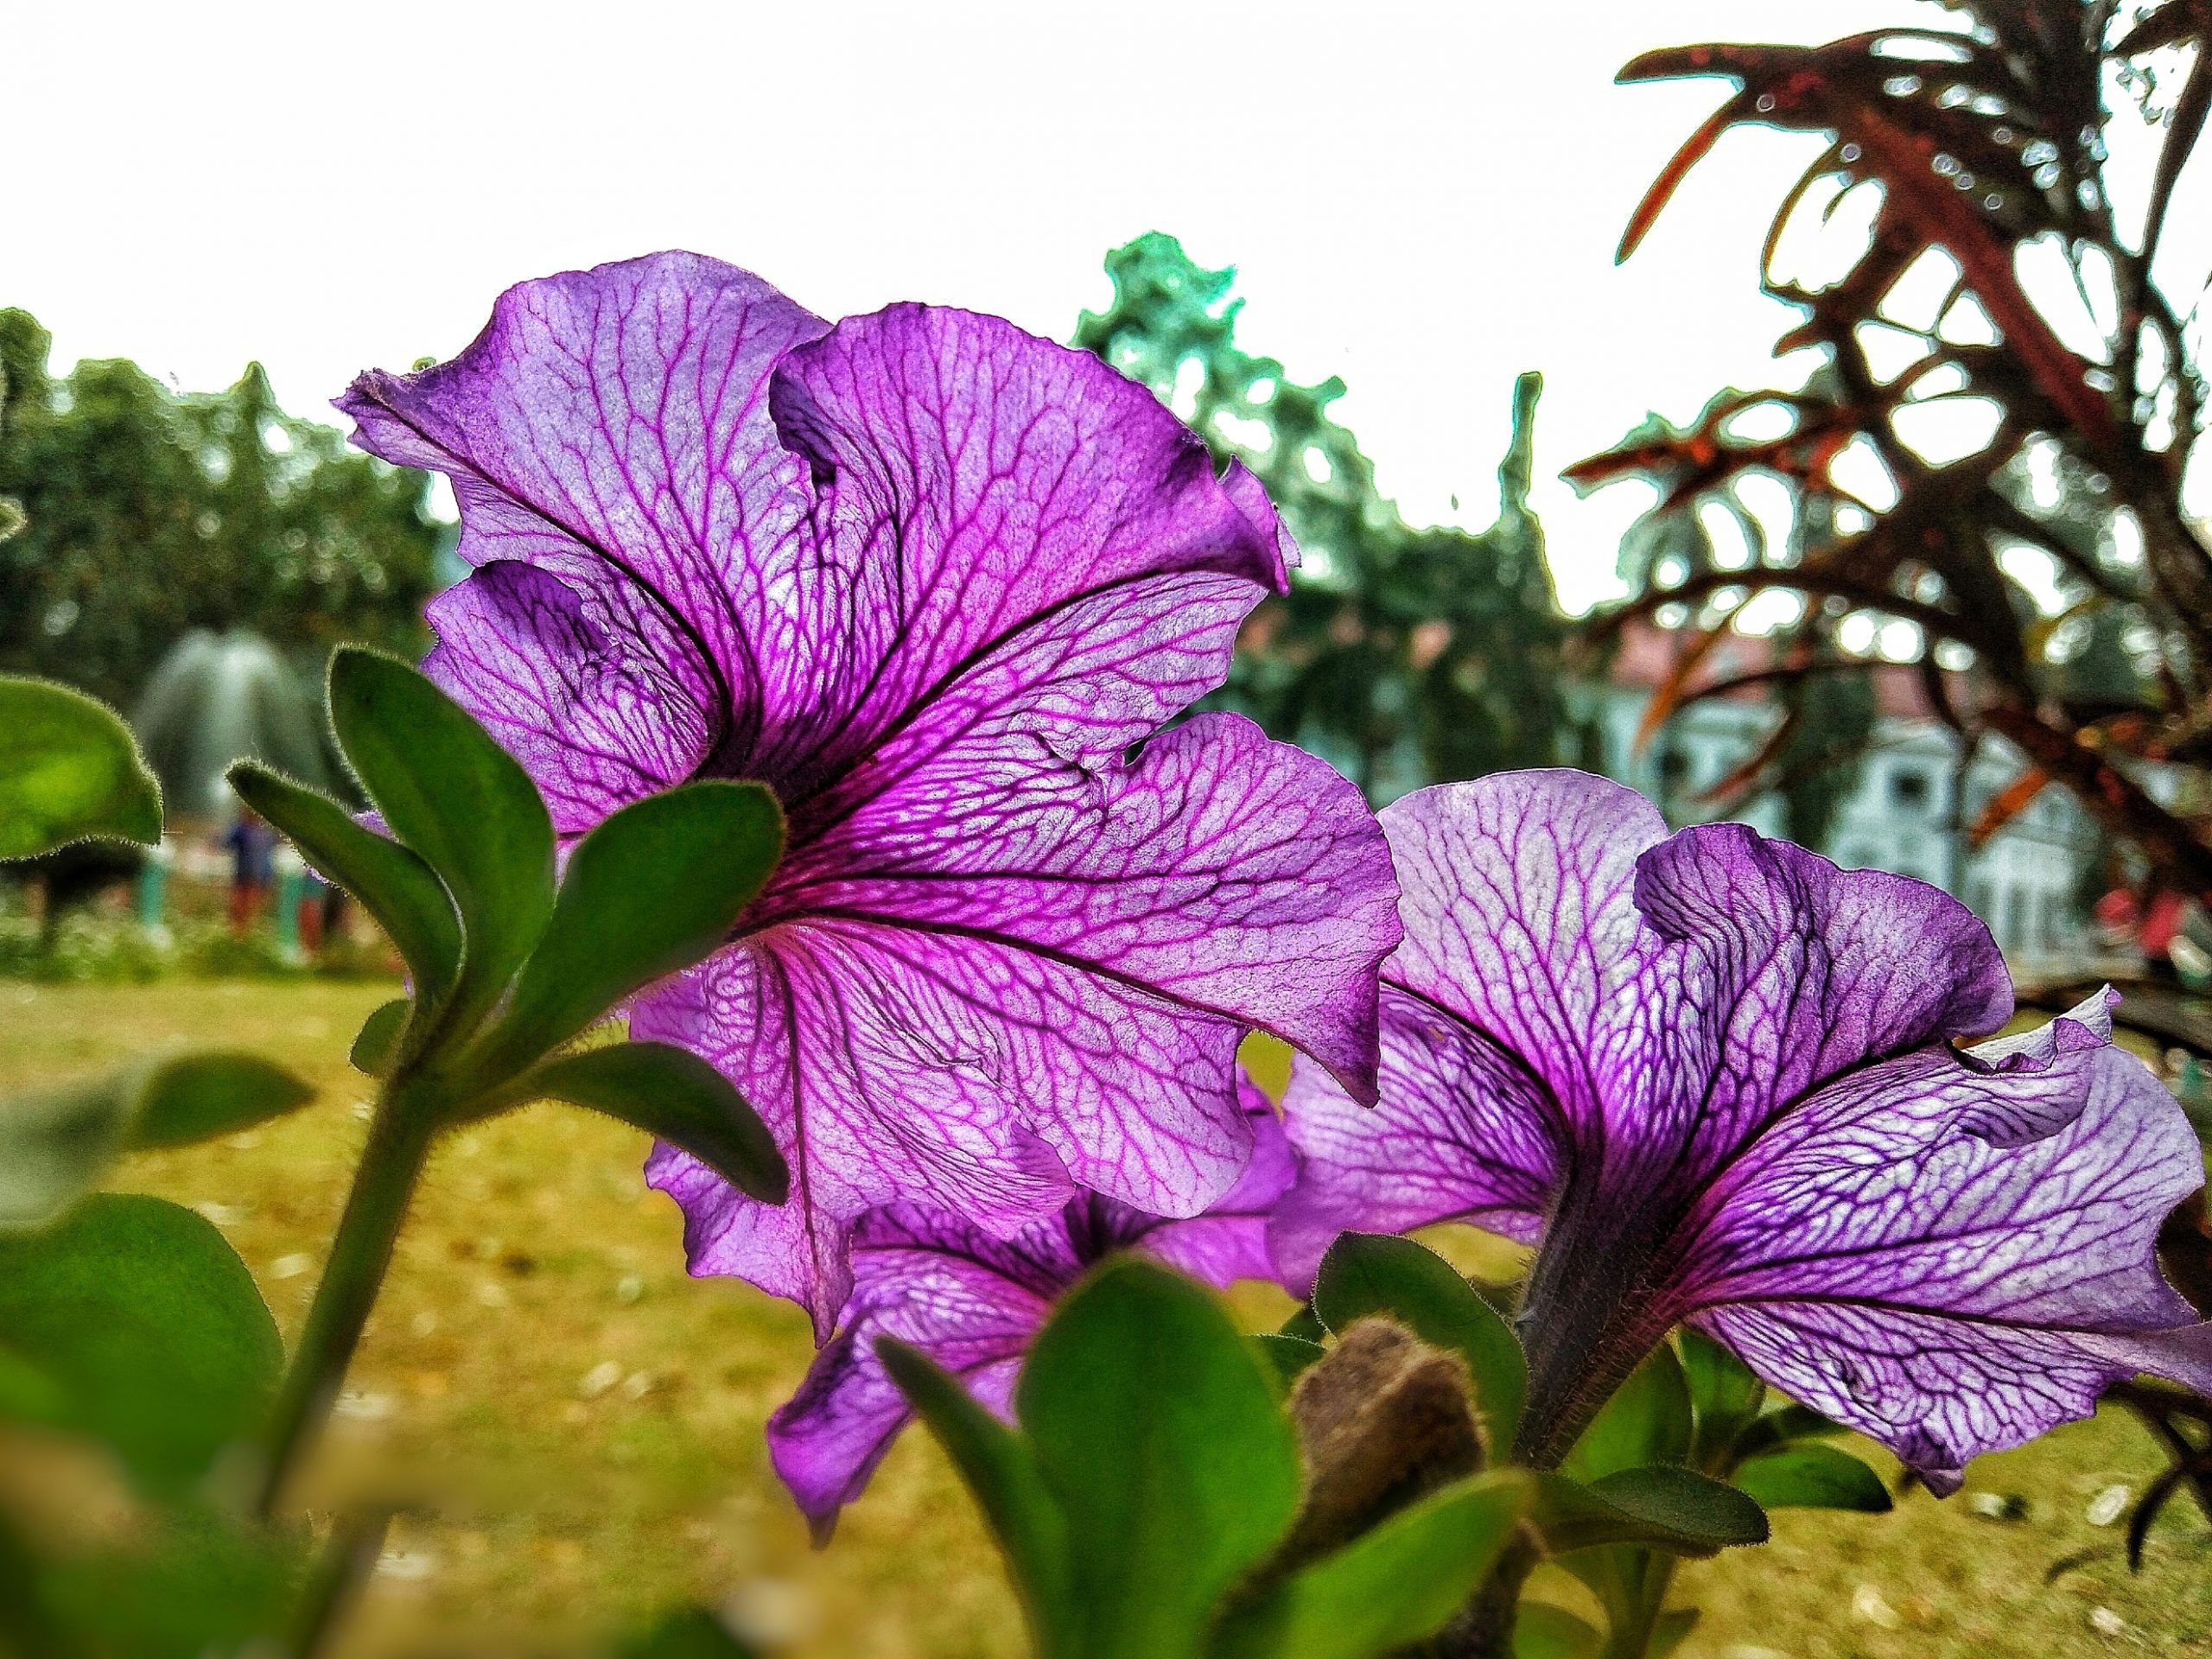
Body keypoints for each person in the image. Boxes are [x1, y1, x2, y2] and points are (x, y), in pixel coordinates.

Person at [222, 807, 276, 935]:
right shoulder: (259, 831)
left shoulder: (243, 829)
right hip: (250, 876)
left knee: (244, 906)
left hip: (250, 876)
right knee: (243, 907)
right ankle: (241, 932)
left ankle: (242, 932)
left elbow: (226, 842)